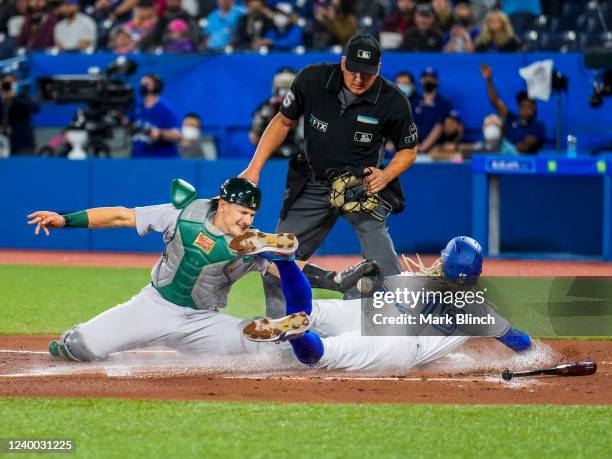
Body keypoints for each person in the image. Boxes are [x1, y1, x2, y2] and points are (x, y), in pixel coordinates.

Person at [32, 178, 377, 361]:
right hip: (154, 307)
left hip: (202, 321)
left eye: (252, 215)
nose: (247, 220)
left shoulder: (253, 242)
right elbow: (123, 215)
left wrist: (332, 279)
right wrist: (66, 220)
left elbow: (283, 267)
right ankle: (76, 343)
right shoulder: (184, 213)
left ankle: (334, 339)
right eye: (242, 212)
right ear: (223, 205)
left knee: (268, 351)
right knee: (80, 346)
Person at [240, 33, 418, 317]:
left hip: (361, 190)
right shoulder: (312, 80)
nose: (359, 79)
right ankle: (282, 333)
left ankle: (407, 326)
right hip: (313, 182)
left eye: (368, 74)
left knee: (385, 267)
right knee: (278, 262)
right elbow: (283, 121)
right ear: (343, 62)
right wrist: (254, 167)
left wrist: (385, 176)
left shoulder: (393, 100)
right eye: (354, 71)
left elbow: (409, 150)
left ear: (379, 68)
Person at [243, 236, 533, 372]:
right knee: (321, 355)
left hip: (374, 311)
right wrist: (535, 352)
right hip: (400, 342)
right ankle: (297, 335)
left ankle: (286, 261)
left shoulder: (411, 277)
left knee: (309, 312)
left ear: (443, 262)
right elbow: (519, 341)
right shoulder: (479, 310)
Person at [480, 63, 545, 154]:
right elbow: (495, 102)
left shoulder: (537, 127)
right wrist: (489, 80)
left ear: (534, 109)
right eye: (523, 106)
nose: (526, 110)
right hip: (504, 161)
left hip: (525, 163)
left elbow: (525, 146)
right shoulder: (511, 119)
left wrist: (508, 150)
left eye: (529, 107)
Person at [249, 68, 302, 159]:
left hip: (300, 153)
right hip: (272, 155)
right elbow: (254, 135)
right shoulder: (266, 108)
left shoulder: (304, 107)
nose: (284, 93)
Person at [128, 74, 182, 159]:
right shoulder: (137, 107)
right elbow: (129, 125)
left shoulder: (165, 108)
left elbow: (177, 135)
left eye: (146, 84)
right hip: (139, 160)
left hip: (161, 161)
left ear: (156, 86)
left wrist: (160, 134)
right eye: (141, 84)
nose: (142, 86)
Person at [412, 67, 453, 153]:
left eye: (431, 78)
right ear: (421, 81)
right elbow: (411, 124)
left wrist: (422, 148)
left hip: (436, 147)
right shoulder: (414, 102)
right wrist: (414, 145)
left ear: (437, 81)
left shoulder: (443, 103)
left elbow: (440, 126)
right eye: (426, 78)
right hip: (414, 146)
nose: (428, 81)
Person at [0, 72, 39, 156]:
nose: (8, 86)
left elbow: (35, 108)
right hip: (2, 143)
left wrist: (14, 97)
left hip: (22, 144)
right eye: (6, 83)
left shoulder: (23, 96)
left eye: (12, 83)